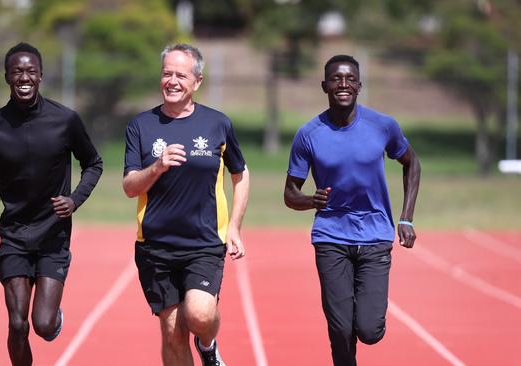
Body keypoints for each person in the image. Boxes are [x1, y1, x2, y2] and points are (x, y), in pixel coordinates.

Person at [0, 42, 103, 366]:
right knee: (17, 323)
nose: (23, 77)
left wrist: (74, 200)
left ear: (40, 76)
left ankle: (54, 317)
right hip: (13, 235)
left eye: (30, 71)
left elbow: (93, 163)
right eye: (17, 72)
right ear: (7, 77)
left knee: (41, 325)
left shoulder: (65, 120)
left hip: (53, 236)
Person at [284, 54, 421, 366]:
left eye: (349, 79)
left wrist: (406, 217)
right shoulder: (309, 134)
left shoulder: (383, 126)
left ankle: (364, 311)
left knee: (369, 330)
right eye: (335, 79)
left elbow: (412, 163)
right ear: (324, 86)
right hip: (331, 236)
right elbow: (290, 193)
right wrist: (310, 201)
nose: (342, 84)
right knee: (340, 328)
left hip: (375, 236)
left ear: (360, 85)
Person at [123, 43, 250, 366]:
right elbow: (128, 186)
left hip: (204, 243)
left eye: (181, 74)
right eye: (167, 73)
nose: (172, 81)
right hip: (156, 247)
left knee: (200, 314)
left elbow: (240, 173)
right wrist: (157, 166)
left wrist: (234, 226)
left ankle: (207, 346)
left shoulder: (217, 123)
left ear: (197, 81)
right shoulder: (141, 126)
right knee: (172, 333)